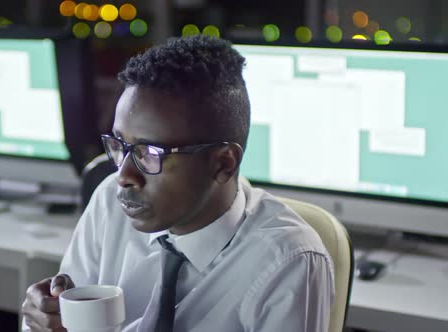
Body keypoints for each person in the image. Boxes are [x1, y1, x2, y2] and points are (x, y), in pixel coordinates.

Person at [22, 35, 334, 332]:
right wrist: (46, 320)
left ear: (223, 164)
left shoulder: (289, 261)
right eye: (120, 145)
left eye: (150, 153)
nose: (124, 176)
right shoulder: (110, 202)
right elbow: (66, 317)